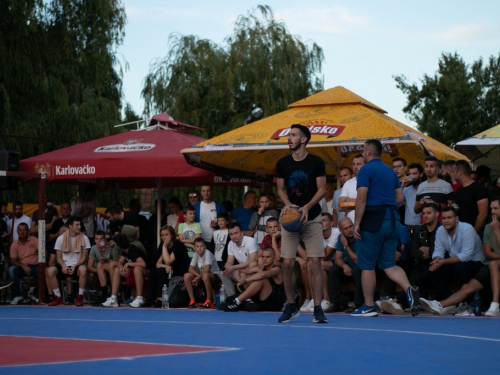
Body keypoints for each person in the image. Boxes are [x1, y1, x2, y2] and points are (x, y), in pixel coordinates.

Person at [352, 139, 420, 317]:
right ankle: (408, 288)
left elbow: (361, 198)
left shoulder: (366, 169)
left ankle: (368, 306)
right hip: (393, 220)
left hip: (374, 221)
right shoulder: (391, 172)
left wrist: (357, 223)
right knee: (389, 264)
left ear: (368, 152)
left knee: (367, 265)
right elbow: (399, 199)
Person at [276, 124, 327, 323]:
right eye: (289, 135)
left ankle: (317, 308)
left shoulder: (316, 162)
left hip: (312, 215)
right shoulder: (282, 163)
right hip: (290, 218)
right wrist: (289, 206)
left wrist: (306, 207)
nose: (289, 138)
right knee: (287, 263)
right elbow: (280, 189)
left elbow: (322, 189)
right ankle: (291, 305)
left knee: (314, 263)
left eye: (293, 135)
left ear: (303, 139)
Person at [424, 206, 488, 315]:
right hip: (457, 263)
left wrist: (442, 262)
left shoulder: (467, 229)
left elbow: (466, 256)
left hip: (478, 264)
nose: (446, 221)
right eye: (444, 218)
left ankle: (465, 304)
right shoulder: (440, 230)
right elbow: (438, 251)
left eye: (449, 218)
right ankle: (450, 303)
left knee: (460, 267)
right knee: (433, 269)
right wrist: (436, 261)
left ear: (456, 218)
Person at [379, 203, 441, 315]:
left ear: (437, 214)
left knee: (420, 278)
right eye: (423, 213)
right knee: (413, 279)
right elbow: (413, 252)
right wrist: (426, 253)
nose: (425, 216)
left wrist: (424, 249)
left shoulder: (441, 229)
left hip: (437, 263)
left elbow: (441, 250)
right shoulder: (419, 229)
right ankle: (402, 304)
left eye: (429, 213)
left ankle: (396, 301)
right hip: (420, 263)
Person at [45, 216, 90, 307]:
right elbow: (59, 258)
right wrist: (63, 266)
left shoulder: (84, 238)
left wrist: (74, 266)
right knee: (50, 271)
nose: (79, 227)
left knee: (83, 269)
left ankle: (80, 296)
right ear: (70, 226)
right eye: (77, 225)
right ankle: (58, 297)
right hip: (64, 265)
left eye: (80, 225)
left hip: (77, 265)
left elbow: (84, 258)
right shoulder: (60, 238)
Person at [223, 248, 286, 312]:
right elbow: (239, 271)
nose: (264, 259)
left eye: (268, 257)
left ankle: (237, 301)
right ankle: (246, 301)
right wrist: (240, 279)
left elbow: (263, 275)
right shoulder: (260, 269)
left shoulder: (277, 269)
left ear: (274, 258)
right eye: (263, 257)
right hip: (262, 300)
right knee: (227, 301)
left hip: (275, 303)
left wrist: (246, 280)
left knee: (262, 279)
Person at [102, 233, 152, 308]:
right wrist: (121, 267)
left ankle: (139, 298)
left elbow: (143, 264)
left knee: (137, 269)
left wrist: (128, 264)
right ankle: (114, 298)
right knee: (117, 269)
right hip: (136, 273)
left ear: (118, 246)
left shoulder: (133, 250)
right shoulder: (125, 250)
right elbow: (120, 262)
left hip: (148, 273)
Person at [327, 217, 363, 313]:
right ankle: (335, 303)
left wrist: (346, 246)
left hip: (363, 269)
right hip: (350, 268)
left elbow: (358, 261)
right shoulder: (341, 238)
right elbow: (337, 258)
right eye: (346, 228)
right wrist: (344, 266)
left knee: (357, 269)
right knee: (333, 270)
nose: (350, 230)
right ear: (340, 230)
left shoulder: (359, 235)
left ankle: (357, 304)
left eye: (351, 226)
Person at [152, 225, 190, 307]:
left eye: (166, 235)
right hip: (169, 272)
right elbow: (158, 264)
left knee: (161, 271)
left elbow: (168, 261)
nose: (164, 237)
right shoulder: (162, 245)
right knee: (155, 271)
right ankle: (155, 298)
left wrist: (165, 247)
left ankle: (162, 299)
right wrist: (165, 266)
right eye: (162, 235)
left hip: (180, 273)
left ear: (172, 235)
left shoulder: (178, 245)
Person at [220, 222, 259, 297]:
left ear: (242, 233)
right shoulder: (231, 243)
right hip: (241, 271)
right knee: (223, 274)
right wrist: (227, 267)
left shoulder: (250, 241)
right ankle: (232, 297)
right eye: (231, 234)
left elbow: (252, 261)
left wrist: (233, 267)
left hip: (252, 270)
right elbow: (229, 261)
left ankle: (249, 298)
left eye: (236, 233)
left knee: (251, 265)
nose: (234, 236)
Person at [453, 160, 488, 235]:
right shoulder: (459, 190)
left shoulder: (479, 189)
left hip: (476, 233)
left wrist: (474, 232)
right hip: (460, 232)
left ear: (459, 173)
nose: (452, 174)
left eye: (453, 171)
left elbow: (483, 213)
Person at [184, 238, 221, 308]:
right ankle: (192, 301)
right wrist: (198, 276)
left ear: (205, 246)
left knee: (205, 275)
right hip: (202, 275)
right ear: (194, 248)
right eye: (197, 246)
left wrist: (197, 278)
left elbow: (207, 270)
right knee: (186, 276)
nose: (199, 248)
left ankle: (209, 301)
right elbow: (190, 269)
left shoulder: (208, 253)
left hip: (215, 275)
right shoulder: (196, 254)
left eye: (201, 246)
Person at [8, 222, 39, 304]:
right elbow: (13, 261)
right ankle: (17, 296)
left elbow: (43, 252)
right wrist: (23, 266)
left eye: (24, 230)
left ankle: (35, 295)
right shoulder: (14, 245)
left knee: (43, 271)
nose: (22, 232)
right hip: (22, 267)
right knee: (11, 270)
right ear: (17, 232)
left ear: (28, 231)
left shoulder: (34, 240)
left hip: (35, 266)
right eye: (20, 230)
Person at [480, 197, 500, 316]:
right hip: (496, 262)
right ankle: (495, 304)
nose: (492, 212)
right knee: (492, 264)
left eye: (496, 208)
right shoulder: (489, 227)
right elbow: (487, 253)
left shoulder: (494, 227)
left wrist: (497, 230)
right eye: (491, 209)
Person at [339, 155, 365, 223]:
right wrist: (361, 202)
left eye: (359, 164)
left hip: (368, 222)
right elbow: (340, 205)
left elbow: (370, 202)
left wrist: (348, 200)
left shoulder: (372, 181)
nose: (355, 167)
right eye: (353, 164)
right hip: (351, 225)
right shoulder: (348, 183)